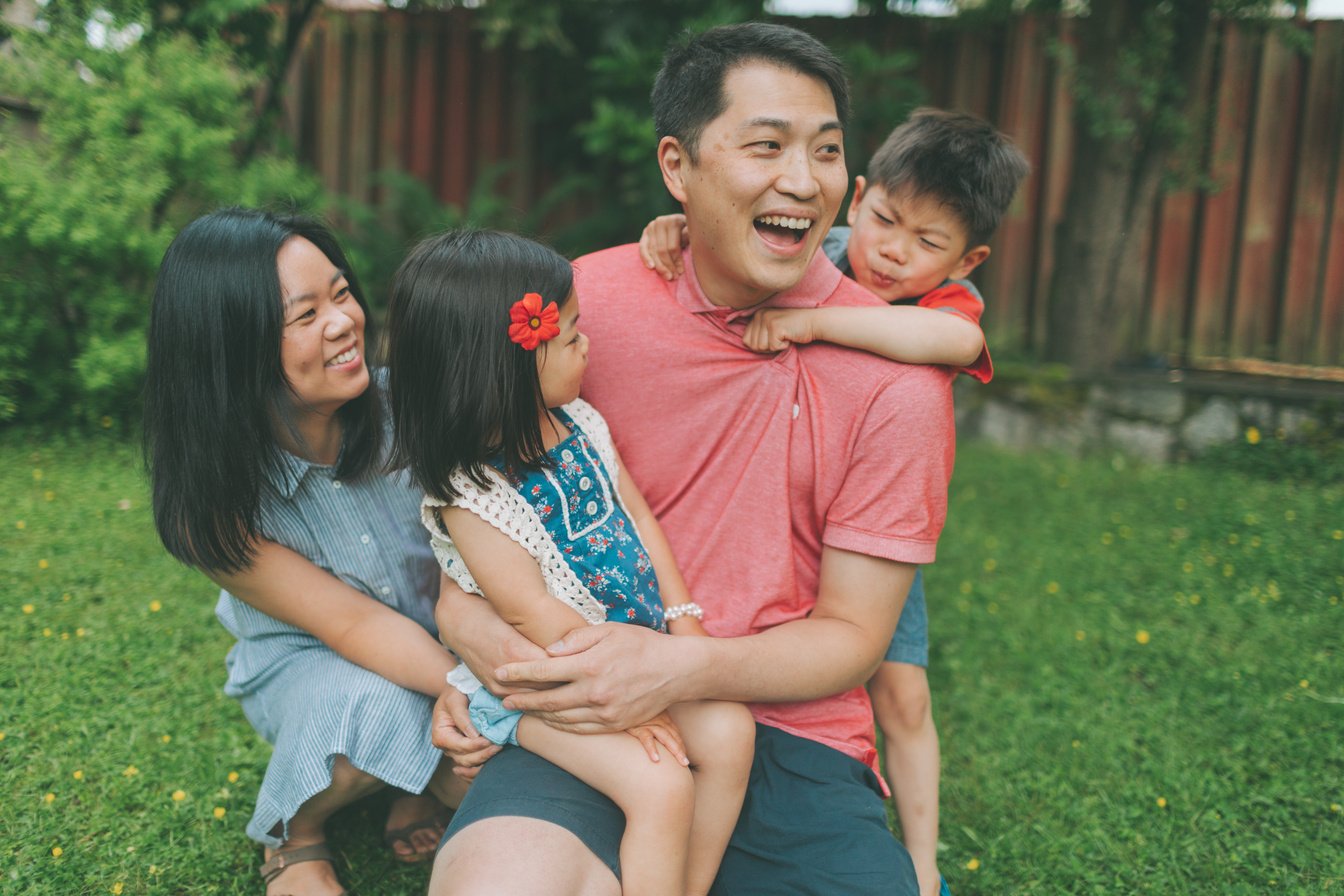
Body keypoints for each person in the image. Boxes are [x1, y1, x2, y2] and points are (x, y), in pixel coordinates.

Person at [428, 22, 956, 896]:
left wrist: (678, 665)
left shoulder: (899, 383)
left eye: (826, 151)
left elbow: (857, 637)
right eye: (766, 145)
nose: (803, 179)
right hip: (592, 710)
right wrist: (486, 650)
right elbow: (477, 508)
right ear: (678, 167)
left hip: (798, 737)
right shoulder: (573, 313)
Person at [638, 107, 1031, 896]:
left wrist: (817, 321)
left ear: (969, 258)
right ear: (856, 197)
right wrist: (673, 228)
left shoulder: (946, 307)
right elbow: (734, 232)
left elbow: (952, 348)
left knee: (902, 691)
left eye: (928, 244)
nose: (892, 251)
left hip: (879, 530)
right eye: (885, 219)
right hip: (786, 513)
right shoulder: (819, 247)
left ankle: (921, 864)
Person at [382, 228, 755, 896]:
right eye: (573, 334)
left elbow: (637, 517)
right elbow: (529, 610)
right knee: (661, 783)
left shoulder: (581, 422)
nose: (589, 344)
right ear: (512, 362)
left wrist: (683, 627)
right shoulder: (472, 493)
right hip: (543, 686)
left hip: (635, 656)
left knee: (730, 732)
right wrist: (630, 702)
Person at [143, 207, 466, 896]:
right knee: (376, 707)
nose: (344, 321)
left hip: (448, 632)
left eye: (342, 292)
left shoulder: (409, 409)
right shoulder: (215, 507)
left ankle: (414, 778)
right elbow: (354, 627)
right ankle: (299, 830)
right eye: (305, 314)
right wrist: (467, 692)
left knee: (471, 744)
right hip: (316, 664)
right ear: (233, 350)